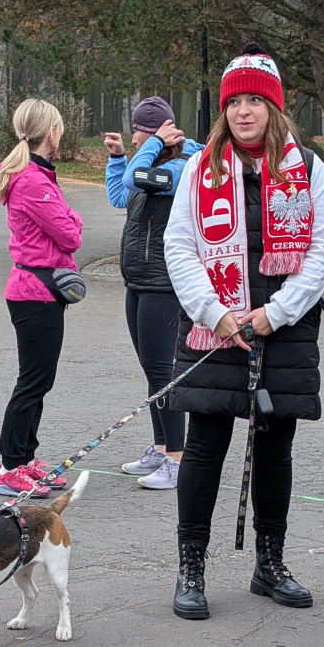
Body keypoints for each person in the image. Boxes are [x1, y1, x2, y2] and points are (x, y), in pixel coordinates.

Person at [163, 43, 324, 619]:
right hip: (218, 319)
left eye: (254, 101)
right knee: (206, 444)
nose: (243, 112)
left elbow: (322, 248)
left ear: (274, 108)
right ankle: (192, 568)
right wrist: (216, 313)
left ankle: (270, 563)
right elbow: (179, 245)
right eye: (233, 102)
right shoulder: (198, 167)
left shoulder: (307, 167)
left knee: (275, 447)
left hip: (283, 322)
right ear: (222, 109)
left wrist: (278, 312)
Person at [104, 97, 203, 489]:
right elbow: (120, 194)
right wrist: (117, 158)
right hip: (138, 281)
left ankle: (177, 459)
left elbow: (134, 179)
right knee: (152, 370)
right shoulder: (146, 166)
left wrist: (151, 147)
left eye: (140, 133)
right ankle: (161, 448)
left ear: (161, 135)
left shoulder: (180, 169)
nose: (134, 138)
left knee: (165, 371)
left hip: (163, 282)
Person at [0, 99, 83, 499]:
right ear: (52, 133)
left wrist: (69, 217)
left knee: (40, 379)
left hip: (41, 290)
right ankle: (10, 465)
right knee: (33, 380)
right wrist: (73, 218)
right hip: (34, 293)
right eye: (60, 128)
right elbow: (72, 233)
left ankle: (25, 457)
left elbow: (66, 223)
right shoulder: (32, 180)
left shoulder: (38, 175)